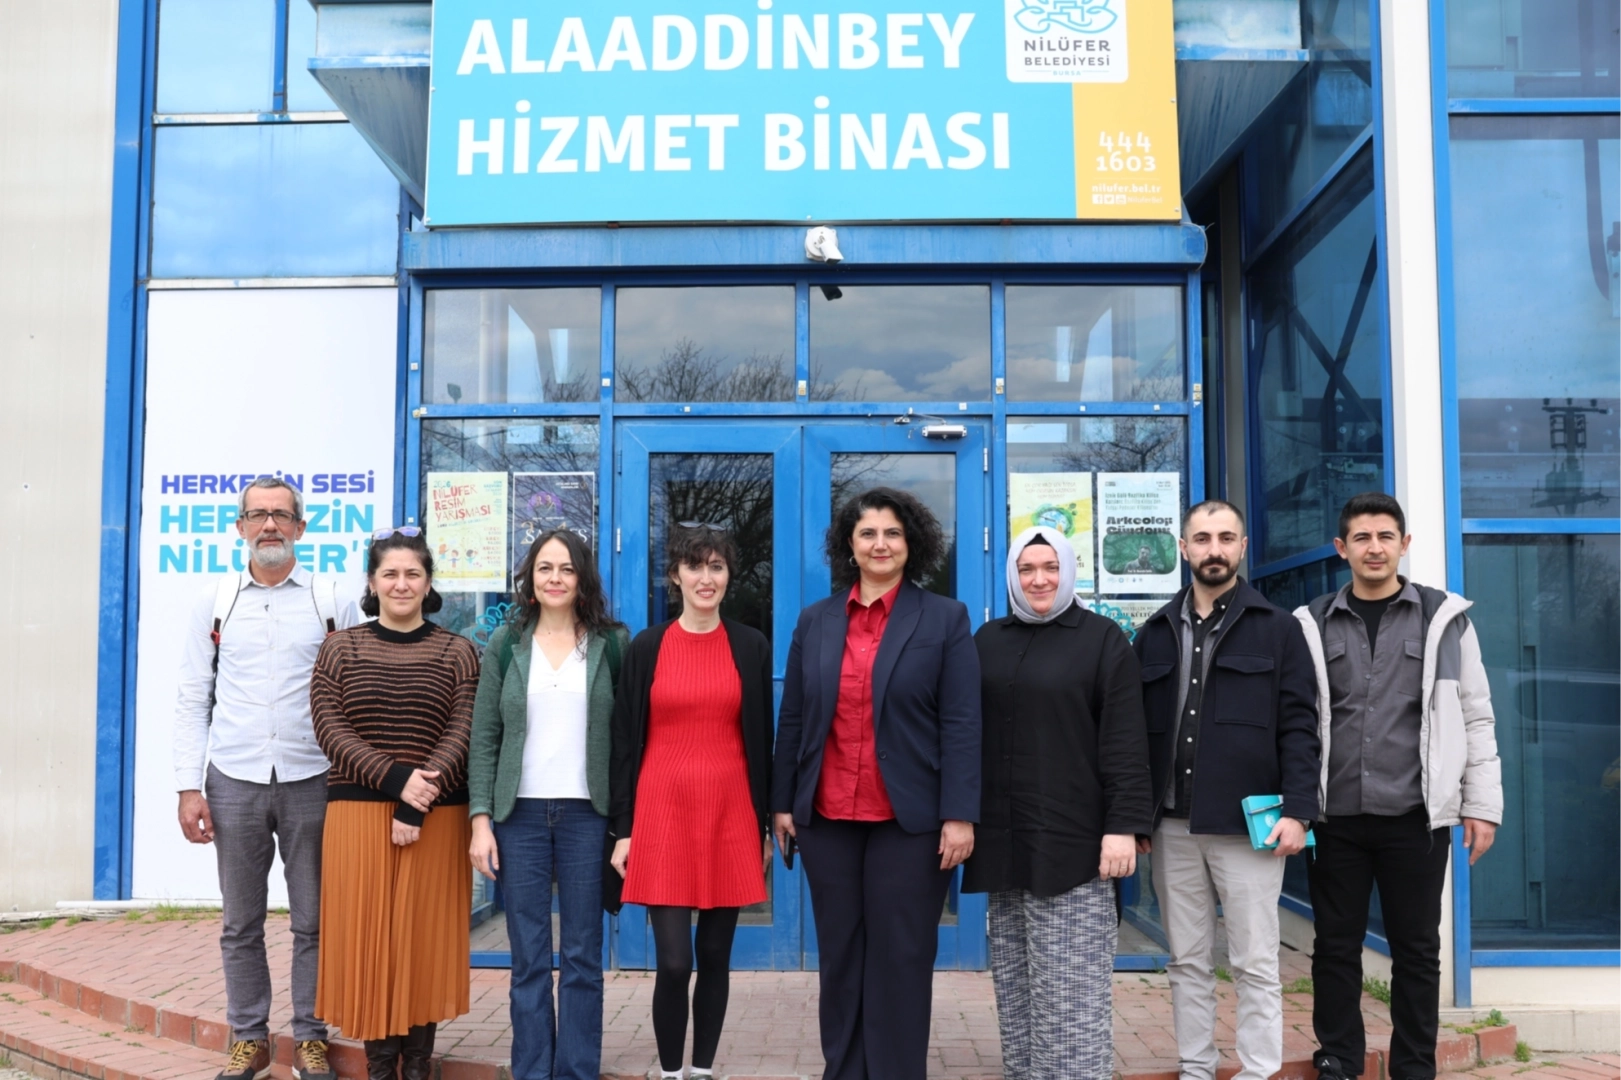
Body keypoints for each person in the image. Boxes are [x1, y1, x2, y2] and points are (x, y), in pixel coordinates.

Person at [772, 486, 982, 1080]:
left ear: (912, 543)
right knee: (840, 956)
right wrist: (782, 803)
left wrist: (960, 813)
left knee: (901, 957)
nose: (880, 544)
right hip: (827, 818)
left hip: (910, 822)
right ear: (850, 544)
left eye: (893, 533)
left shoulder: (944, 618)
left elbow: (962, 721)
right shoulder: (816, 621)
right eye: (868, 533)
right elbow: (794, 718)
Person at [1295, 493, 1502, 1080]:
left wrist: (1481, 804)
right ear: (1341, 549)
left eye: (1386, 536)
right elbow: (1295, 720)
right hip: (1336, 819)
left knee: (1417, 951)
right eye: (1361, 538)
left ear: (1404, 544)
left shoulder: (1445, 621)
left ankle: (1413, 1067)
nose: (1375, 548)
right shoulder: (1311, 624)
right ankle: (1339, 1059)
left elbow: (1476, 716)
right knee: (1335, 947)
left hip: (1416, 818)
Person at [1133, 500, 1321, 1080]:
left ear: (1242, 547)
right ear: (1183, 548)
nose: (1213, 549)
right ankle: (1197, 1067)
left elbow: (1301, 726)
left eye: (1225, 537)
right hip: (1171, 827)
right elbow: (1134, 735)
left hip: (1247, 828)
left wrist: (1300, 811)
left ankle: (1258, 1071)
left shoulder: (1280, 629)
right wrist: (1134, 817)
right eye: (1202, 538)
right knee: (1186, 960)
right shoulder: (1153, 634)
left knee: (1255, 961)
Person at [172, 476, 351, 1080]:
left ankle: (310, 1038)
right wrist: (188, 786)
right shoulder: (216, 601)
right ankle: (248, 1038)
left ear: (301, 526)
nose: (269, 525)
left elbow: (354, 691)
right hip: (234, 778)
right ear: (240, 526)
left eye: (280, 514)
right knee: (240, 923)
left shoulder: (332, 599)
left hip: (314, 777)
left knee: (314, 921)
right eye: (257, 514)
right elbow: (193, 696)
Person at [964, 526, 1155, 1080]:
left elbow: (1125, 739)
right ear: (1012, 576)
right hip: (1005, 845)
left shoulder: (1102, 640)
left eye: (1050, 567)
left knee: (1071, 998)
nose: (1039, 579)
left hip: (1075, 848)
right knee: (1018, 990)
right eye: (1026, 569)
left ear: (1068, 570)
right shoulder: (987, 641)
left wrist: (1123, 826)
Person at [309, 528, 478, 1080]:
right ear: (372, 582)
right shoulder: (341, 648)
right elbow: (329, 726)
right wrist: (397, 781)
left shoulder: (458, 651)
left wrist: (415, 802)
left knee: (422, 941)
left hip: (437, 814)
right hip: (358, 814)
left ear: (428, 583)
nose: (401, 584)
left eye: (413, 574)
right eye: (390, 574)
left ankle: (419, 1066)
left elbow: (464, 729)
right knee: (369, 942)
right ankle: (381, 1068)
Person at [609, 524, 774, 1080]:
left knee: (717, 957)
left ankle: (701, 1071)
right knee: (676, 962)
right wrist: (624, 829)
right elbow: (624, 743)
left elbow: (763, 740)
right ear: (675, 575)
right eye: (695, 566)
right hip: (663, 815)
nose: (706, 577)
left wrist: (763, 826)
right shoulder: (648, 646)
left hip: (730, 814)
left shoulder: (750, 645)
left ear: (729, 576)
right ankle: (670, 1072)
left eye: (717, 567)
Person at [468, 529, 629, 1080]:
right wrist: (481, 820)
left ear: (583, 577)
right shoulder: (506, 643)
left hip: (588, 815)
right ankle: (533, 1070)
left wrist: (626, 822)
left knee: (583, 955)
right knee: (529, 956)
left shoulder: (611, 643)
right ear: (530, 578)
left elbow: (626, 739)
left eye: (566, 568)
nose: (555, 578)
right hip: (520, 818)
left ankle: (577, 1070)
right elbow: (485, 736)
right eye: (544, 568)